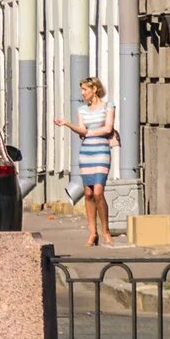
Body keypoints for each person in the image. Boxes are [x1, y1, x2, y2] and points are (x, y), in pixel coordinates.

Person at [54, 76, 118, 247]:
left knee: (98, 192)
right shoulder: (81, 109)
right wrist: (67, 123)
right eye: (81, 90)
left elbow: (108, 128)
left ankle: (106, 232)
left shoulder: (108, 106)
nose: (82, 93)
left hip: (101, 151)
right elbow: (81, 129)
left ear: (94, 89)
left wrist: (89, 133)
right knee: (88, 193)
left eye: (85, 90)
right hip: (86, 153)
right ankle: (92, 233)